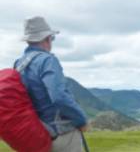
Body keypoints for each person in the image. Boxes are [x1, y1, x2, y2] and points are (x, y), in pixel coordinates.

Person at [15, 16, 88, 152]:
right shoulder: (48, 60)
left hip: (37, 133)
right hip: (59, 133)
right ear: (47, 39)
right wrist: (81, 119)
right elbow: (59, 96)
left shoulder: (19, 64)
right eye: (52, 38)